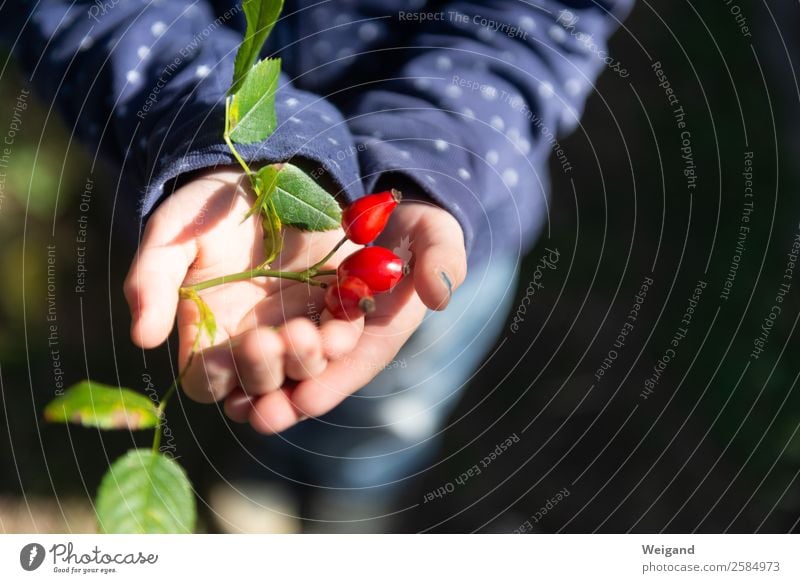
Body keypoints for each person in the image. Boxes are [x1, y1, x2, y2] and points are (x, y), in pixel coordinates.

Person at [1, 0, 633, 530]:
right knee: (277, 381)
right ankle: (274, 474)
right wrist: (214, 142)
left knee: (392, 413)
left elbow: (537, 22)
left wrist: (428, 169)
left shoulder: (383, 255)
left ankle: (351, 504)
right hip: (198, 183)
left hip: (453, 211)